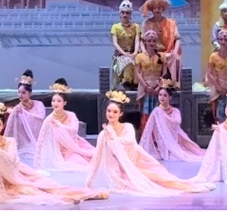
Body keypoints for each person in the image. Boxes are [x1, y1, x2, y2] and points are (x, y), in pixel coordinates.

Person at [0, 102, 108, 205]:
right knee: (33, 193)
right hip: (8, 184)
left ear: (3, 126)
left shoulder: (9, 141)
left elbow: (10, 160)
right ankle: (72, 199)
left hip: (21, 174)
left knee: (51, 186)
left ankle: (90, 194)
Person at [86, 91, 215, 197]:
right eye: (109, 111)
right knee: (143, 183)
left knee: (160, 178)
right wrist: (89, 180)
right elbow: (97, 157)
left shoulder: (127, 127)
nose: (111, 114)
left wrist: (112, 137)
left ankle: (190, 186)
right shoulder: (103, 134)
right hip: (120, 170)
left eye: (115, 112)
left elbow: (129, 141)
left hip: (137, 162)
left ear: (121, 114)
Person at [34, 78, 96, 171]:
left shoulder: (71, 115)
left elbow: (74, 130)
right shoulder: (49, 120)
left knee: (89, 159)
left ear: (65, 102)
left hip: (73, 146)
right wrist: (38, 159)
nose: (55, 103)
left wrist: (59, 126)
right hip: (58, 151)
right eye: (53, 100)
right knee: (75, 164)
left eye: (59, 101)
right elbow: (41, 140)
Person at [139, 84, 204, 162]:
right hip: (162, 140)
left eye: (165, 95)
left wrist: (166, 118)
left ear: (170, 97)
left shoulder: (175, 111)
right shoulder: (157, 111)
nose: (162, 97)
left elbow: (177, 122)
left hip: (176, 138)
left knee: (191, 151)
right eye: (160, 95)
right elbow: (149, 128)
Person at [139, 0, 181, 81]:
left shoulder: (171, 23)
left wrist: (175, 52)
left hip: (168, 51)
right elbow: (141, 40)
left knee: (174, 58)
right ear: (152, 10)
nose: (157, 10)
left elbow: (177, 39)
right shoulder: (146, 23)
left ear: (163, 9)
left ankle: (171, 84)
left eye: (159, 8)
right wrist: (144, 51)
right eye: (154, 8)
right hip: (151, 52)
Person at [4, 70, 45, 165]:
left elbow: (40, 120)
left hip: (37, 140)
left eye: (23, 92)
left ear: (30, 93)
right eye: (18, 92)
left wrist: (24, 114)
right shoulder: (17, 108)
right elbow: (13, 127)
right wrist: (14, 114)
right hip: (22, 144)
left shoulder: (39, 105)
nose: (20, 95)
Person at [110, 0, 141, 90]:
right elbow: (115, 43)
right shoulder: (115, 27)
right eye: (123, 12)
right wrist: (124, 54)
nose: (125, 15)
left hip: (133, 54)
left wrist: (134, 53)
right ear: (120, 13)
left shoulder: (136, 27)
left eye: (127, 13)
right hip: (120, 55)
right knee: (125, 63)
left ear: (130, 14)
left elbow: (137, 41)